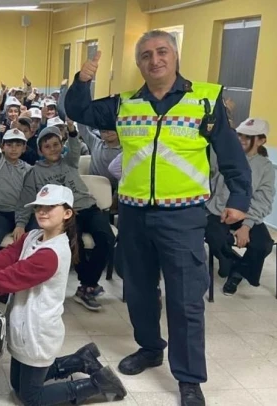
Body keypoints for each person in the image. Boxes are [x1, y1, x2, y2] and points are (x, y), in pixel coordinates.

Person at [65, 30, 252, 405]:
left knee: (185, 298)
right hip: (133, 214)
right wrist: (82, 81)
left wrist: (240, 197)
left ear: (175, 55)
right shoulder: (125, 104)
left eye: (162, 51)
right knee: (138, 290)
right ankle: (150, 348)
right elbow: (79, 111)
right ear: (139, 63)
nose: (155, 60)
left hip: (183, 216)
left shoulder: (205, 100)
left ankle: (189, 378)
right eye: (146, 55)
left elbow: (231, 154)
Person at [0, 185, 127, 405]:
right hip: (23, 323)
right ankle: (81, 359)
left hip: (38, 330)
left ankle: (99, 384)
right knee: (17, 385)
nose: (42, 211)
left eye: (50, 207)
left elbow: (4, 278)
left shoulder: (51, 254)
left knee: (31, 398)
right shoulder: (33, 236)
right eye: (39, 207)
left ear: (67, 213)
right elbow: (1, 259)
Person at [15, 125, 115, 311]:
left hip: (89, 208)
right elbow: (26, 199)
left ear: (62, 146)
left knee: (107, 238)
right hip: (65, 214)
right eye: (47, 146)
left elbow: (75, 146)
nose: (53, 149)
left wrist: (72, 130)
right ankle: (88, 286)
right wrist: (20, 224)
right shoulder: (35, 173)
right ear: (40, 151)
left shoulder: (69, 161)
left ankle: (87, 284)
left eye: (56, 144)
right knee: (75, 244)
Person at [206, 117, 274, 295]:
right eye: (240, 135)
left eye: (248, 137)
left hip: (247, 214)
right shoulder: (222, 156)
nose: (241, 139)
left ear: (261, 140)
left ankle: (237, 273)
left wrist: (246, 225)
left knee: (263, 244)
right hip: (219, 212)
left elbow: (263, 200)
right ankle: (231, 264)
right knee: (216, 238)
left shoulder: (265, 167)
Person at [0, 95, 31, 252]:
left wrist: (21, 223)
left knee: (37, 238)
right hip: (0, 213)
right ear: (2, 147)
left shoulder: (29, 169)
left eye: (18, 145)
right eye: (9, 144)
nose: (14, 148)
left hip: (22, 214)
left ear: (24, 148)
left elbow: (29, 197)